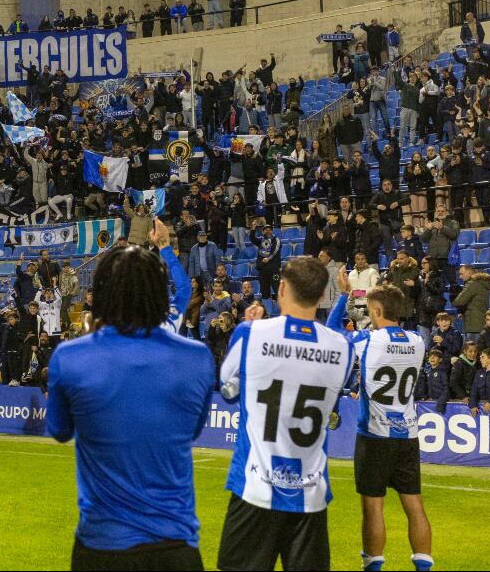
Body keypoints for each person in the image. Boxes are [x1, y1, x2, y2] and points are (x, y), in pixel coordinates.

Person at [46, 219, 216, 572]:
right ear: (158, 291)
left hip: (102, 547)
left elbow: (59, 430)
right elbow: (191, 429)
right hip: (176, 547)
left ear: (101, 295)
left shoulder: (71, 357)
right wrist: (166, 247)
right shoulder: (198, 358)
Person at [217, 256, 352, 571]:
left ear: (280, 289)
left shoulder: (250, 335)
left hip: (255, 489)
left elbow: (228, 390)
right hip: (309, 496)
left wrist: (248, 327)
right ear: (322, 297)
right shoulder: (343, 349)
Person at [327, 276, 434, 572]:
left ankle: (372, 565)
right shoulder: (418, 341)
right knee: (414, 504)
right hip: (408, 434)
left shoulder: (368, 340)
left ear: (376, 311)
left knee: (373, 505)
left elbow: (332, 331)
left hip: (374, 435)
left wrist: (344, 296)